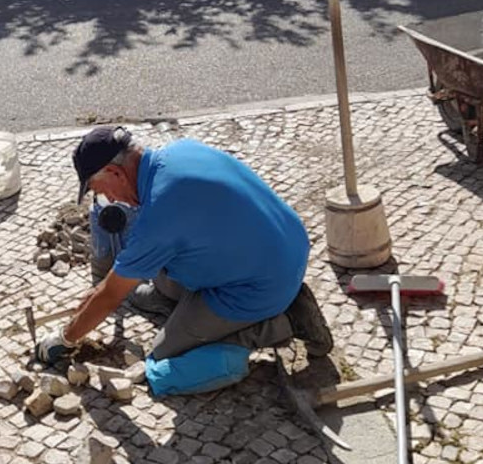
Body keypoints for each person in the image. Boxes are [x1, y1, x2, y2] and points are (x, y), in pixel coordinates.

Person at [36, 125, 332, 366]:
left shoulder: (160, 213)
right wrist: (99, 295)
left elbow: (111, 295)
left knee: (166, 353)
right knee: (162, 278)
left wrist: (65, 338)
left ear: (115, 173)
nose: (110, 201)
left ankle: (286, 321)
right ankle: (180, 306)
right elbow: (115, 284)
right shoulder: (179, 150)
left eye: (101, 191)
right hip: (285, 246)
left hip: (261, 285)